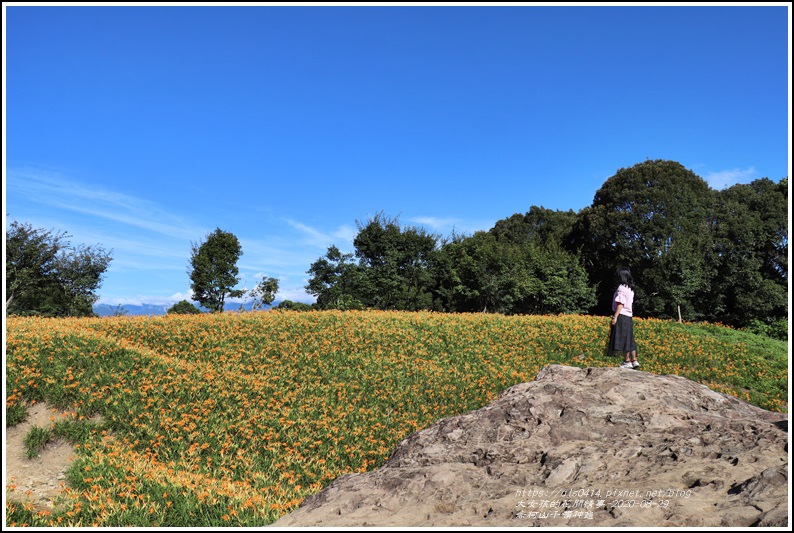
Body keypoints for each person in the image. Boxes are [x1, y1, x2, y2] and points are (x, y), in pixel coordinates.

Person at [608, 268, 639, 369]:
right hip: (629, 316)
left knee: (623, 338)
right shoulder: (630, 288)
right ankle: (634, 360)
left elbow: (620, 304)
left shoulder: (621, 288)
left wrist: (615, 316)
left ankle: (627, 361)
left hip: (622, 315)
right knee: (630, 338)